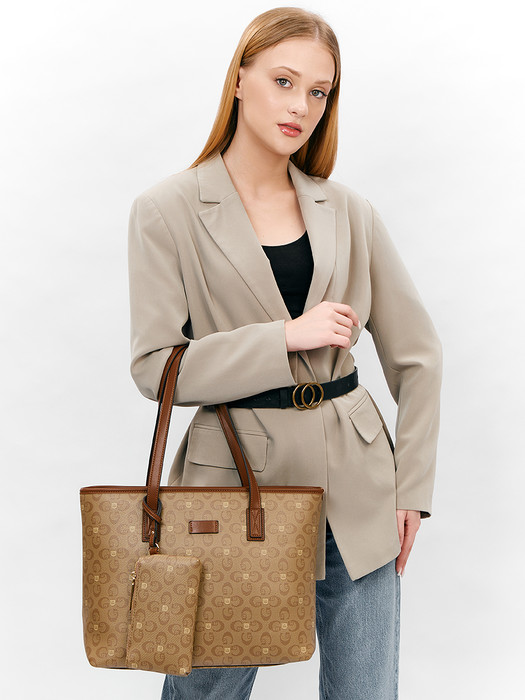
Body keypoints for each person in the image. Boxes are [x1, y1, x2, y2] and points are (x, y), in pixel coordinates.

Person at [127, 6, 442, 699]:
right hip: (234, 480)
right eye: (283, 81)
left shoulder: (349, 211)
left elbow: (418, 355)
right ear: (239, 79)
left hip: (358, 482)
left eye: (319, 91)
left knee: (365, 691)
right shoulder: (167, 210)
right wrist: (284, 338)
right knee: (206, 689)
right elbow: (155, 367)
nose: (301, 105)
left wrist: (412, 489)